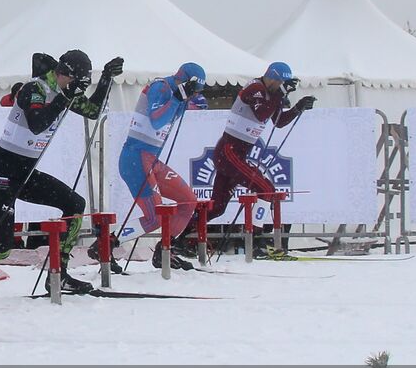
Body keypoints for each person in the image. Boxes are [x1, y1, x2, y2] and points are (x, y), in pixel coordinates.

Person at [0, 50, 123, 294]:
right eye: (77, 83)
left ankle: (60, 273)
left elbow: (93, 111)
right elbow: (37, 124)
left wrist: (106, 77)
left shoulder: (64, 92)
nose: (78, 88)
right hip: (1, 171)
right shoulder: (35, 88)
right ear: (64, 73)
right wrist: (64, 97)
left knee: (75, 204)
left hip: (24, 172)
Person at [185, 61, 314, 242]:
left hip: (234, 153)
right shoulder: (255, 88)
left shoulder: (272, 94)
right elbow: (261, 114)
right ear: (270, 77)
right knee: (266, 189)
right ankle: (256, 241)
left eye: (281, 84)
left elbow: (279, 121)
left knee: (217, 207)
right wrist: (280, 95)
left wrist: (297, 107)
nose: (279, 87)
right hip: (229, 151)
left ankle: (180, 236)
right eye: (277, 83)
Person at [114, 62, 206, 271]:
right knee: (156, 217)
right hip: (135, 158)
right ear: (184, 81)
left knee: (188, 201)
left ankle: (165, 249)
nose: (194, 95)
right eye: (194, 90)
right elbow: (157, 121)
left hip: (151, 159)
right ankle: (106, 243)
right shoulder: (161, 87)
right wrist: (177, 97)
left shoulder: (179, 94)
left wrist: (185, 100)